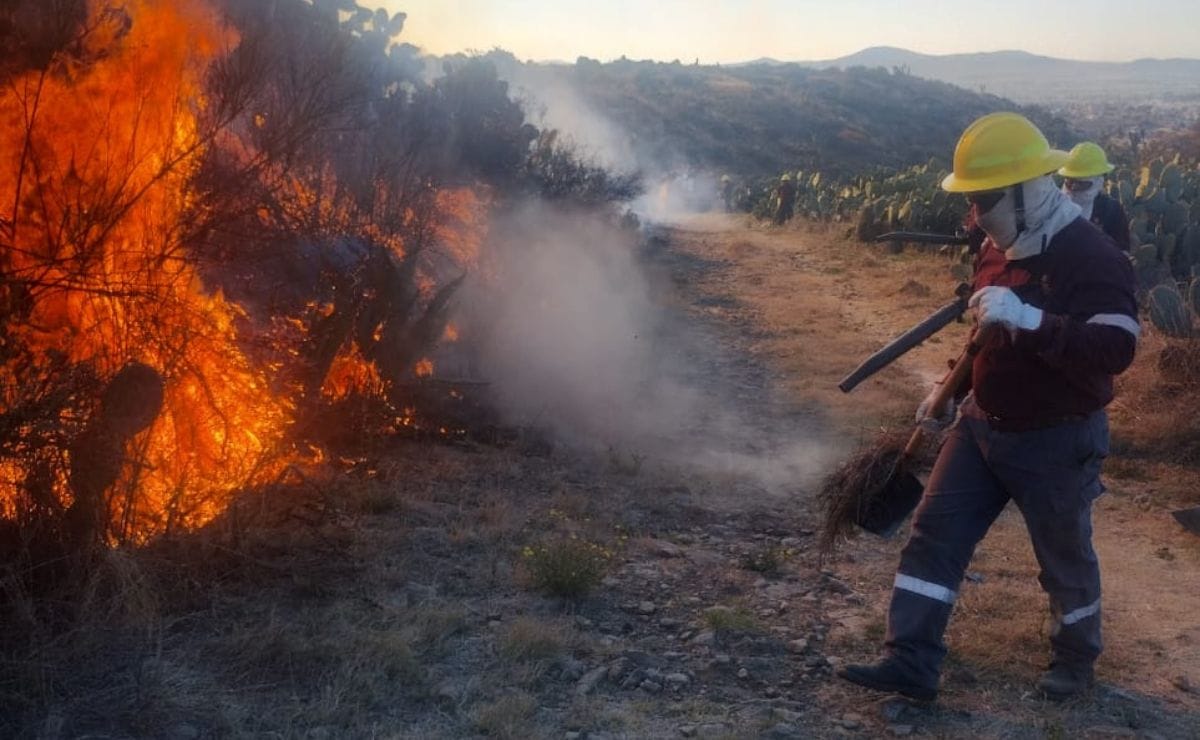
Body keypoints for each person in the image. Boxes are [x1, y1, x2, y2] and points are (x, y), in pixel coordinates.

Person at [837, 112, 1140, 702]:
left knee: (1063, 557)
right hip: (982, 426)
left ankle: (1075, 664)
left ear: (1028, 191)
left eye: (985, 200)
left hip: (1057, 437)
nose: (975, 215)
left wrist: (1034, 321)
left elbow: (1118, 347)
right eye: (971, 202)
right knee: (933, 535)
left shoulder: (1092, 256)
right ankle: (910, 660)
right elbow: (985, 333)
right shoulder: (997, 248)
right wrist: (952, 387)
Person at [1058, 141, 1130, 251]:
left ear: (1098, 181)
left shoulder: (1111, 210)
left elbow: (1120, 250)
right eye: (1069, 182)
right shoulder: (1055, 205)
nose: (1072, 188)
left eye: (1080, 184)